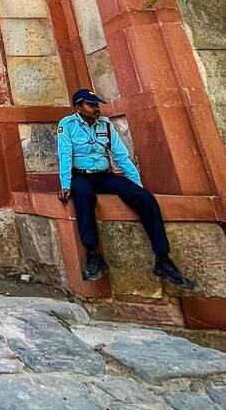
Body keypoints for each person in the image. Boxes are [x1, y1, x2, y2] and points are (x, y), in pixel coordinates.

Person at [57, 88, 194, 288]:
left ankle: (163, 258)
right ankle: (93, 253)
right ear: (78, 107)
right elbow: (65, 155)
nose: (96, 108)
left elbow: (121, 156)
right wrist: (65, 184)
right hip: (81, 176)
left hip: (104, 175)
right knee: (84, 196)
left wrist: (136, 186)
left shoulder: (105, 124)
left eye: (96, 104)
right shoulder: (67, 125)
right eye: (90, 105)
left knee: (145, 198)